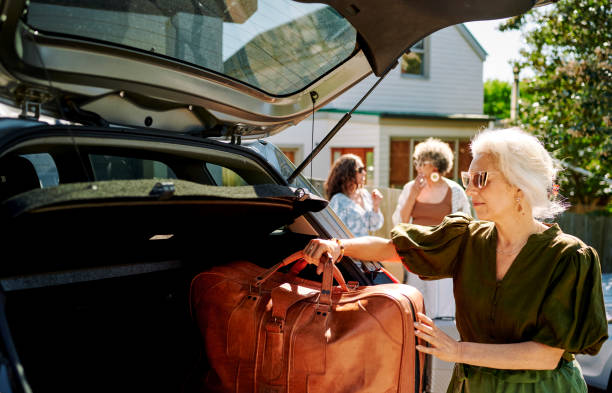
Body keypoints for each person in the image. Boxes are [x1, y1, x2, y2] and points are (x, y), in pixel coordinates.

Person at [303, 128, 608, 392]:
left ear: (520, 186)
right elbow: (391, 247)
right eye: (468, 178)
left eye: (481, 178)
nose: (470, 188)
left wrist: (457, 350)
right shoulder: (466, 238)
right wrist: (338, 247)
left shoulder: (568, 257)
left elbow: (545, 355)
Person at [392, 137, 471, 226]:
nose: (417, 167)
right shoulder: (410, 187)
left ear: (435, 165)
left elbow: (464, 224)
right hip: (414, 240)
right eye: (417, 163)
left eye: (422, 164)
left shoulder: (456, 191)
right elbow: (400, 223)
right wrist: (413, 194)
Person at [325, 154, 383, 237]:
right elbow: (333, 231)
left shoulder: (364, 194)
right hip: (348, 248)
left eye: (364, 169)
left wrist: (376, 205)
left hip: (365, 246)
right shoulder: (338, 200)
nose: (364, 172)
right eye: (360, 170)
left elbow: (373, 225)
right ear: (348, 173)